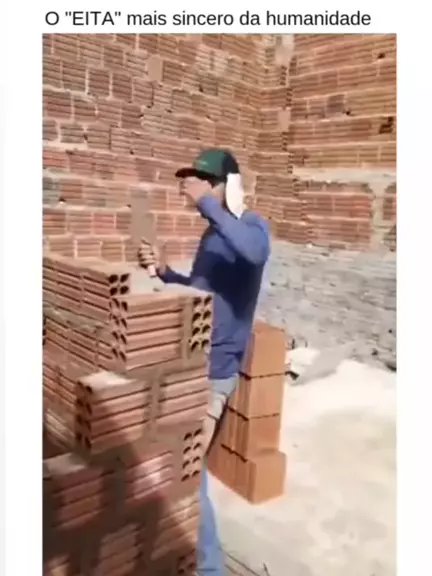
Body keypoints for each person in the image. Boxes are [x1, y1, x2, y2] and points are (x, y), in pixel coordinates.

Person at [138, 149, 270, 575]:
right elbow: (200, 291)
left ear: (226, 186)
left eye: (203, 181)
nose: (192, 190)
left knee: (188, 469)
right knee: (178, 465)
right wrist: (165, 272)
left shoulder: (252, 226)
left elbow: (254, 254)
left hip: (215, 372)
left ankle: (210, 569)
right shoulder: (212, 236)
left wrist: (209, 204)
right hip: (191, 365)